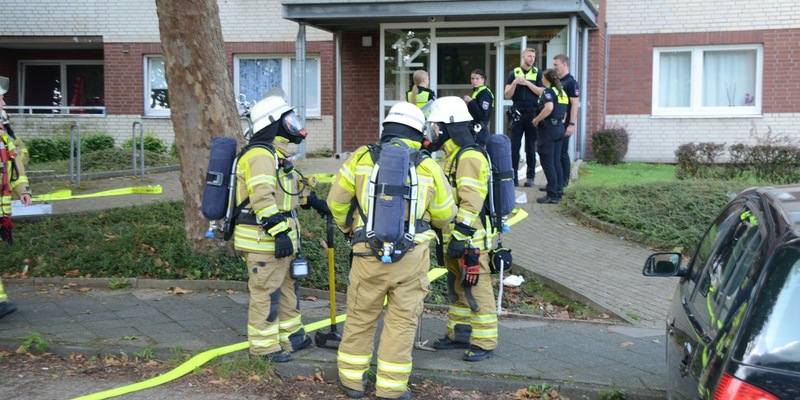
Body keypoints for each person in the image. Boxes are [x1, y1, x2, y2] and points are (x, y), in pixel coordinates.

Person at [327, 102, 456, 400]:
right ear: (417, 131)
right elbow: (444, 216)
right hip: (412, 258)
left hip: (366, 254)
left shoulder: (361, 158)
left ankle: (351, 382)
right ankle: (391, 389)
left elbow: (335, 203)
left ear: (386, 129)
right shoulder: (428, 165)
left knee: (360, 316)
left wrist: (352, 232)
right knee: (401, 322)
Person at [232, 93, 325, 363]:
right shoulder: (260, 155)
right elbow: (262, 197)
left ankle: (292, 337)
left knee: (287, 289)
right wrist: (280, 232)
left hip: (279, 239)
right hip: (263, 240)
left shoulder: (274, 155)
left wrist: (316, 202)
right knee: (266, 293)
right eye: (289, 120)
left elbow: (290, 189)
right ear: (274, 124)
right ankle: (264, 349)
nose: (294, 125)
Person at [426, 97, 498, 362]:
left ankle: (485, 341)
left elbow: (471, 201)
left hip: (470, 241)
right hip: (454, 239)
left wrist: (460, 236)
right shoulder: (453, 155)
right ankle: (460, 334)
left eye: (436, 126)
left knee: (476, 290)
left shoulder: (469, 156)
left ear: (449, 126)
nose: (432, 131)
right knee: (457, 290)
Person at [0, 75, 32, 319]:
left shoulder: (4, 135)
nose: (3, 103)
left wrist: (24, 191)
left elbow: (15, 165)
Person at [504, 48, 543, 187]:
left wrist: (527, 83)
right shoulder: (514, 72)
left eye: (533, 56)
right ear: (523, 57)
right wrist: (515, 82)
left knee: (531, 146)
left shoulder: (538, 73)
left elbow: (541, 92)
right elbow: (507, 94)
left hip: (532, 112)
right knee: (515, 146)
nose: (532, 58)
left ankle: (530, 177)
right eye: (529, 56)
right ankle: (513, 177)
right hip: (517, 113)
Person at [532, 69, 569, 204]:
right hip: (559, 127)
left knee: (548, 162)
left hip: (548, 129)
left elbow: (548, 107)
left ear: (546, 79)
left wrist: (536, 120)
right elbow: (564, 113)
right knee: (556, 161)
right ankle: (558, 192)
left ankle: (552, 194)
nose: (542, 79)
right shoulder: (562, 92)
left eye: (542, 77)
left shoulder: (548, 91)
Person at [552, 54, 580, 190]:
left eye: (556, 65)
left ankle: (563, 182)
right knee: (554, 154)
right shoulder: (557, 81)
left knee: (562, 153)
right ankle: (555, 182)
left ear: (564, 64)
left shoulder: (571, 82)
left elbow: (574, 105)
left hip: (565, 124)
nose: (554, 67)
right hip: (556, 123)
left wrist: (571, 124)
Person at [463, 68, 494, 147]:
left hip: (480, 130)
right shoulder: (477, 91)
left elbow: (483, 115)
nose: (474, 81)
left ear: (483, 80)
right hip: (474, 128)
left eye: (477, 79)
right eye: (472, 78)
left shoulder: (484, 93)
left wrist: (471, 102)